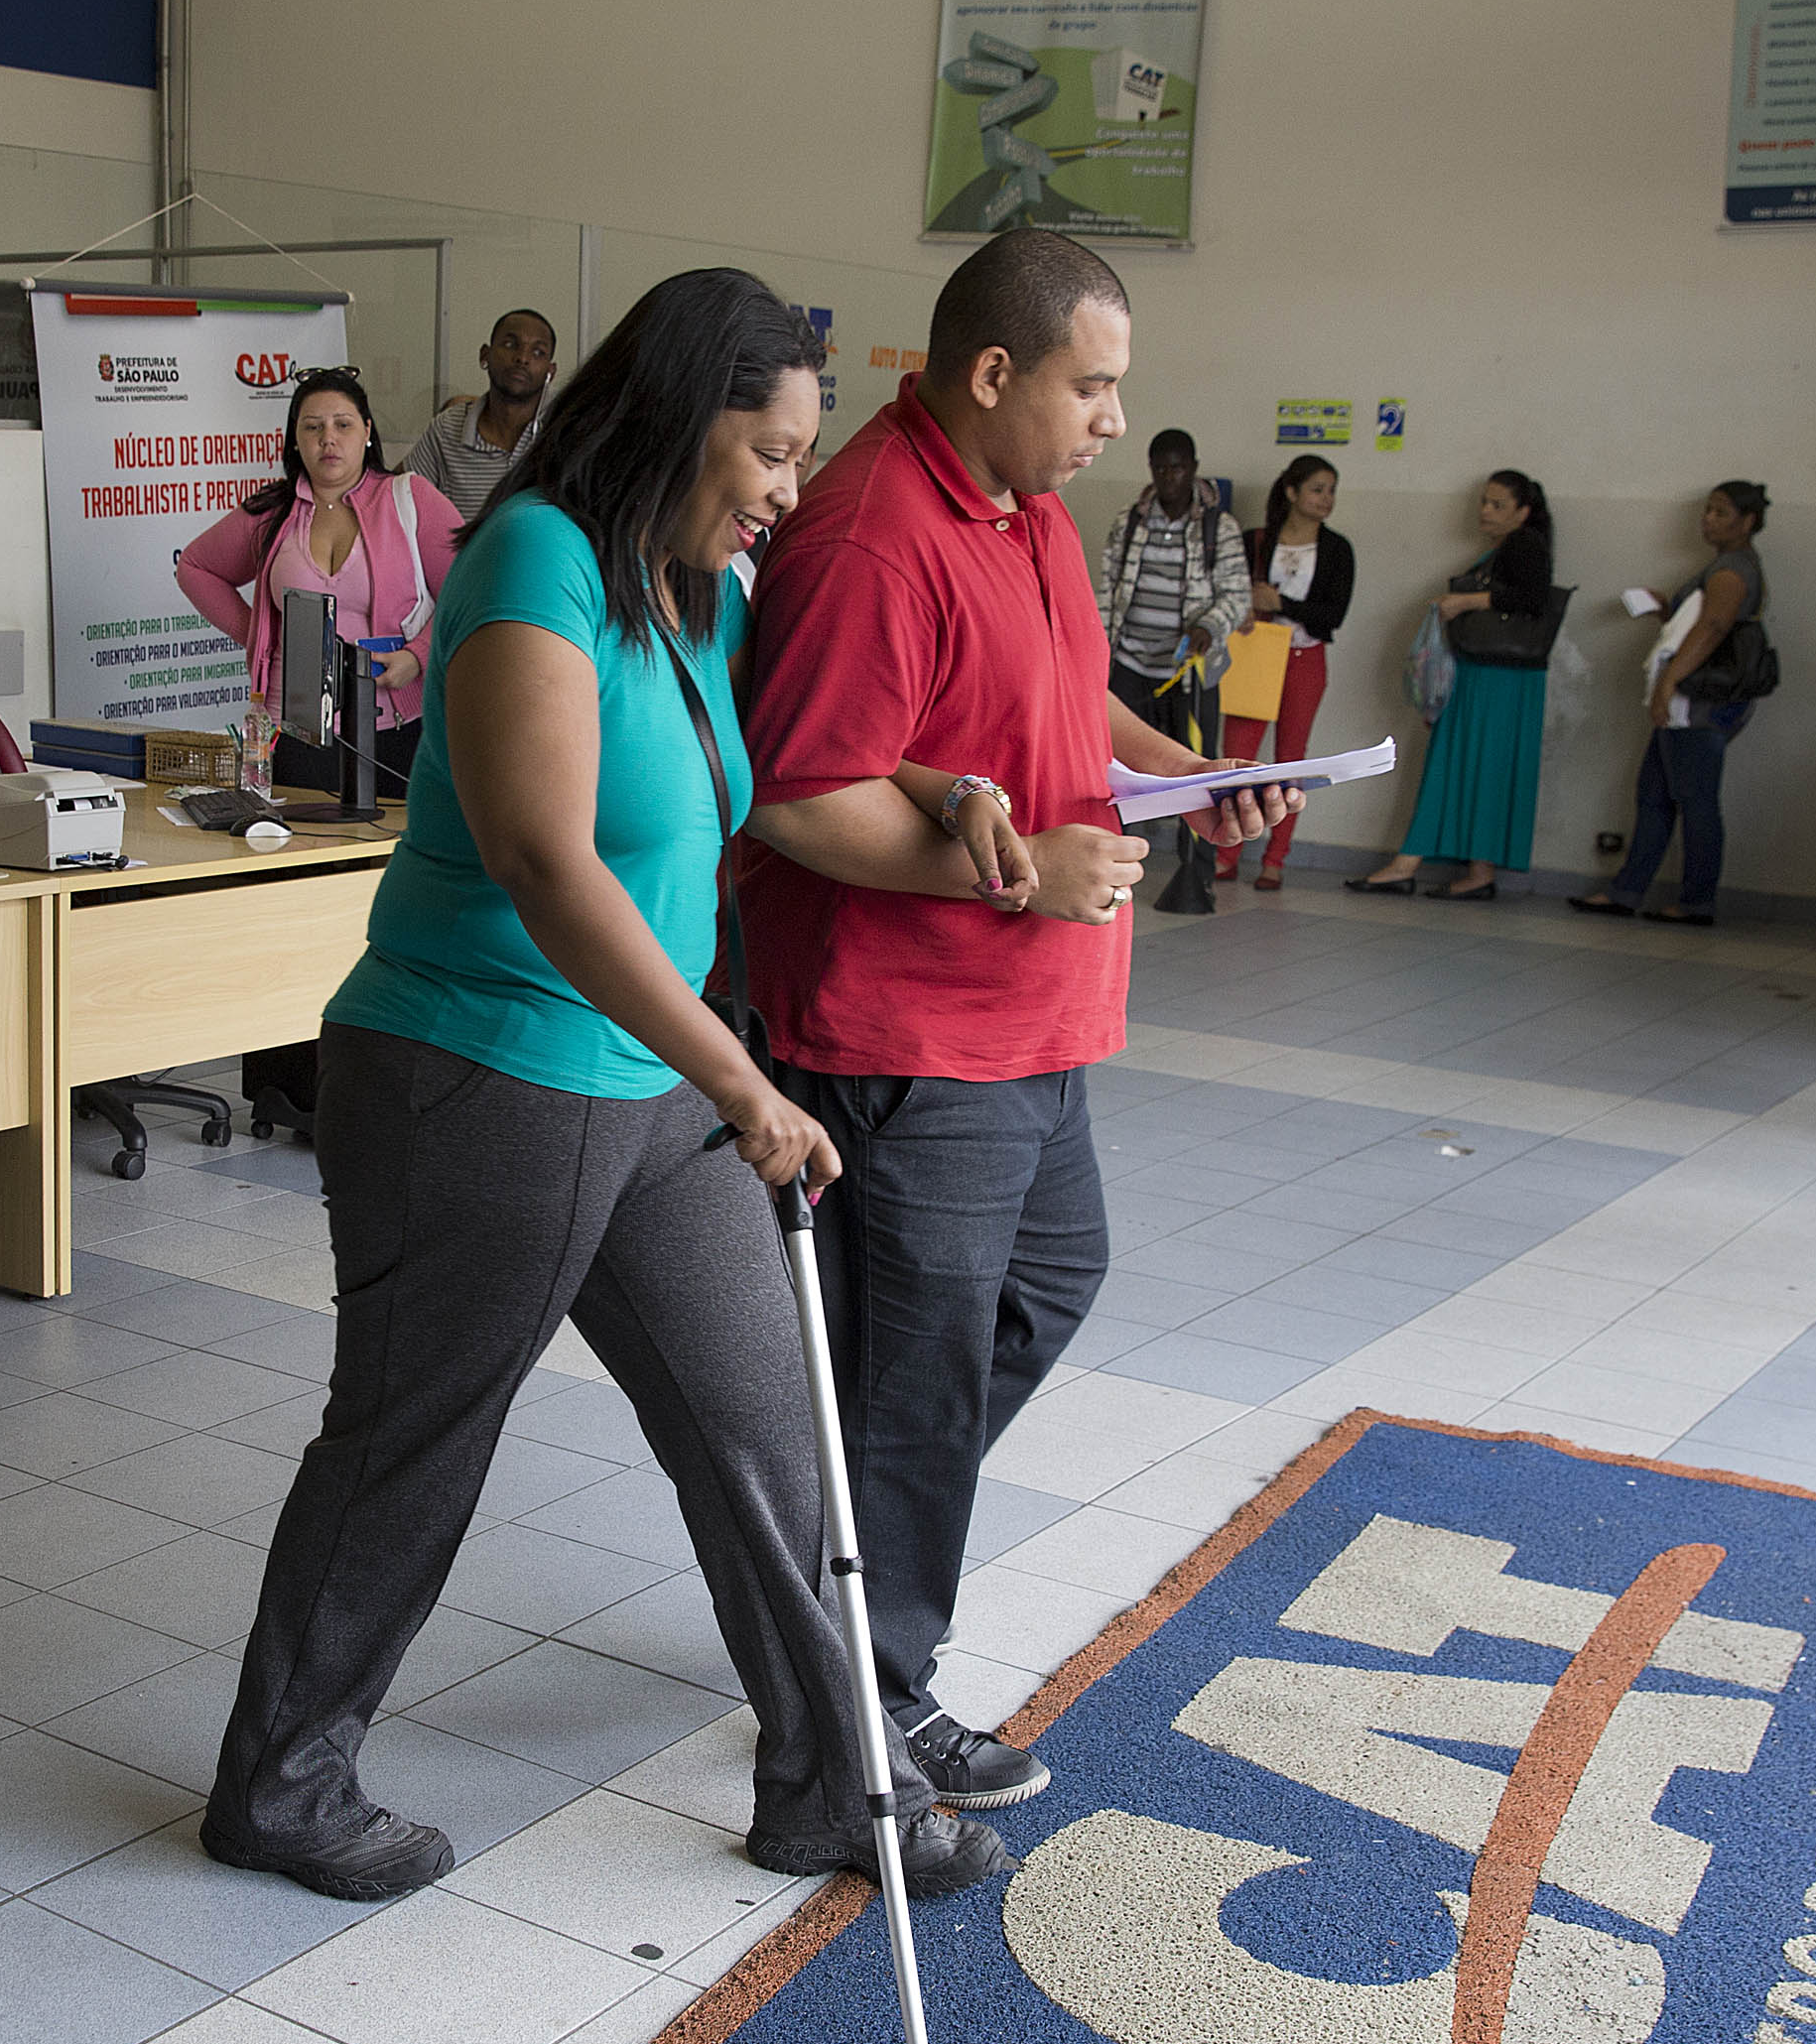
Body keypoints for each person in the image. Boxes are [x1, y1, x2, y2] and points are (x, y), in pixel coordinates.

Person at [203, 269, 1000, 1908]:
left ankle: (828, 1781)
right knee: (415, 1438)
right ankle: (278, 1786)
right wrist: (746, 1079)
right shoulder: (533, 565)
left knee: (765, 1421)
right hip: (476, 1066)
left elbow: (777, 770)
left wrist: (935, 777)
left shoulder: (700, 589)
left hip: (650, 1079)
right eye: (772, 453)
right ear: (682, 418)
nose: (790, 489)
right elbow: (547, 865)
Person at [737, 228, 1279, 1809]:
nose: (1114, 418)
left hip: (1035, 1022)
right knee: (914, 1373)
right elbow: (799, 795)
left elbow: (1059, 705)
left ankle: (838, 1571)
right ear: (993, 374)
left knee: (1035, 1292)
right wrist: (1016, 877)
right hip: (915, 1031)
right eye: (1091, 385)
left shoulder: (1029, 509)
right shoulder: (871, 537)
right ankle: (871, 1693)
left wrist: (1183, 770)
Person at [173, 365, 464, 798]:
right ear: (295, 439)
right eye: (313, 427)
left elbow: (472, 591)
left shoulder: (411, 498)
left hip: (396, 727)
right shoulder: (272, 511)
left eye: (342, 425)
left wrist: (418, 656)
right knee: (298, 859)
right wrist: (261, 638)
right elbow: (195, 567)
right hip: (295, 729)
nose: (328, 438)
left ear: (366, 431)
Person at [1349, 470, 1558, 901]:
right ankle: (1478, 869)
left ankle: (1410, 861)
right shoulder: (1505, 548)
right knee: (1481, 769)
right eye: (1485, 501)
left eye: (1498, 504)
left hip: (1496, 679)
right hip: (1492, 677)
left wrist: (1464, 601)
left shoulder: (1524, 545)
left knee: (1455, 762)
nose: (1485, 511)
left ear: (1523, 512)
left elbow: (1532, 599)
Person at [1573, 481, 1769, 926]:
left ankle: (1697, 900)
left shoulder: (1733, 571)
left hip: (1698, 701)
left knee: (1696, 801)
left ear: (1747, 521)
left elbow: (1714, 626)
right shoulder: (1720, 566)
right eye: (1707, 511)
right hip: (1689, 698)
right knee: (1655, 794)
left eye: (1720, 513)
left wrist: (1669, 683)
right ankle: (1628, 890)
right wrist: (1667, 610)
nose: (1708, 520)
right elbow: (1697, 622)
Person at [1096, 430, 1249, 911]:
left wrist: (1209, 626)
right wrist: (1095, 653)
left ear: (1194, 467)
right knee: (1108, 769)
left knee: (1194, 770)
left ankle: (1194, 875)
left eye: (1178, 467)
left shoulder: (1218, 529)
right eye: (1160, 468)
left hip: (1189, 668)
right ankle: (1107, 863)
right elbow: (1105, 591)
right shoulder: (1130, 523)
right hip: (1128, 662)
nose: (1169, 477)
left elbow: (1237, 594)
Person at [1216, 454, 1353, 891]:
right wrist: (1246, 611)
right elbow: (1228, 591)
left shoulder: (1337, 548)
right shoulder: (1255, 539)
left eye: (1331, 490)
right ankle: (1225, 854)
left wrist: (1283, 605)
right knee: (1237, 759)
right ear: (1292, 492)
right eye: (1317, 489)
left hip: (1304, 658)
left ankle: (1275, 859)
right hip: (1256, 654)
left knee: (1292, 760)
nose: (1326, 499)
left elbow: (1332, 616)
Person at [406, 309, 558, 519]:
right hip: (463, 552)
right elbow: (401, 499)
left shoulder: (564, 430)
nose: (522, 358)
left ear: (550, 372)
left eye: (538, 352)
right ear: (484, 355)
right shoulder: (447, 428)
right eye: (510, 344)